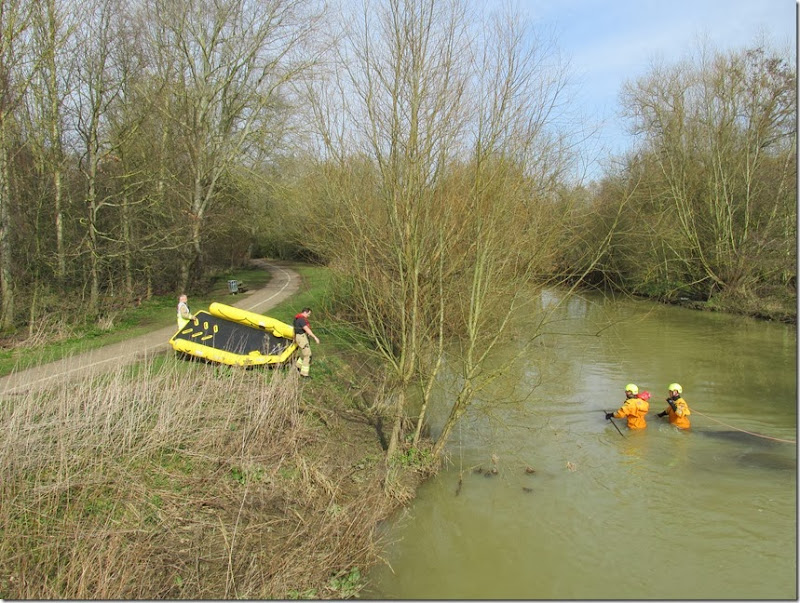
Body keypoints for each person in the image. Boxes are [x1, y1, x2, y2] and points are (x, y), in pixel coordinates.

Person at [293, 307, 319, 378]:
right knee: (307, 355)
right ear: (305, 312)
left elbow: (295, 330)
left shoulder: (296, 319)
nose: (308, 316)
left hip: (299, 337)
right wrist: (315, 337)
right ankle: (304, 374)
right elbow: (306, 329)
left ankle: (297, 366)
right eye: (308, 314)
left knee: (303, 353)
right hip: (302, 338)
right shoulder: (301, 320)